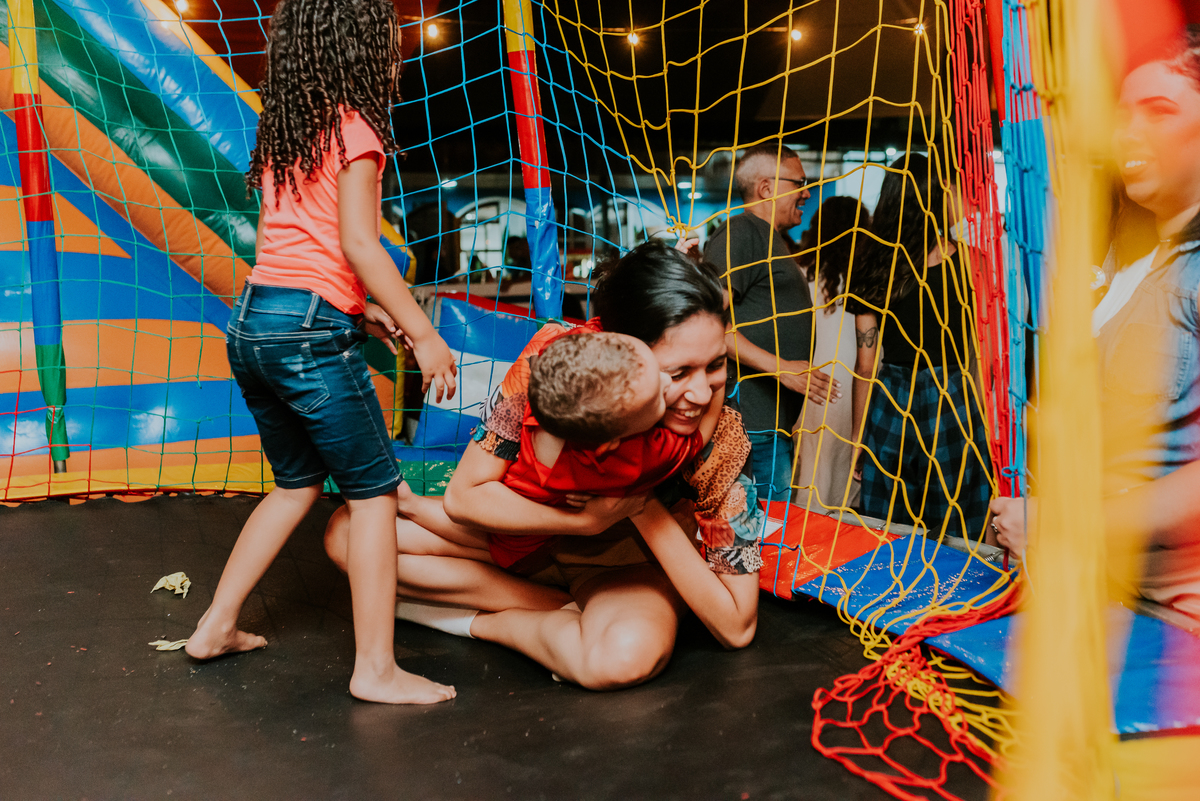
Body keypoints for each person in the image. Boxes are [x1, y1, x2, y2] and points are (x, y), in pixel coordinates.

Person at [325, 240, 765, 688]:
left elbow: (737, 626)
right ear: (617, 349)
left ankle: (486, 622)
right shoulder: (553, 365)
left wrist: (635, 505)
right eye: (677, 373)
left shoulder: (720, 439)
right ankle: (553, 609)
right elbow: (465, 495)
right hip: (527, 543)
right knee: (351, 533)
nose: (701, 393)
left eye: (715, 365)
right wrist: (583, 523)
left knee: (622, 658)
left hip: (622, 569)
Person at [185, 0, 460, 705]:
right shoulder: (358, 126)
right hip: (304, 332)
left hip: (254, 323)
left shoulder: (289, 129)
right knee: (373, 496)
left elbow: (294, 252)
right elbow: (359, 245)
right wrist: (425, 335)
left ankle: (214, 624)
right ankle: (375, 668)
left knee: (295, 483)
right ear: (364, 46)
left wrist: (363, 312)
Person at [991, 27, 1200, 624]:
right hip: (1107, 599)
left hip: (1176, 626)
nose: (1128, 133)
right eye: (1122, 115)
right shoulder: (1139, 267)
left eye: (1159, 111)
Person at [846, 154, 993, 540]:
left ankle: (890, 595)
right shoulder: (974, 264)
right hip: (954, 398)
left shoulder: (873, 267)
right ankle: (961, 598)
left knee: (888, 528)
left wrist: (858, 441)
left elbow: (866, 362)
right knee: (960, 524)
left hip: (891, 401)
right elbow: (985, 356)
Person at [705, 143, 840, 503]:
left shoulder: (769, 238)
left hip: (767, 428)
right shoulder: (742, 232)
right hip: (750, 427)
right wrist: (781, 369)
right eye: (799, 182)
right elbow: (706, 324)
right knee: (760, 540)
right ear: (766, 188)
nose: (807, 192)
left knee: (771, 536)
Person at [793, 196, 870, 512]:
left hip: (811, 376)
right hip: (857, 378)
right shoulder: (868, 277)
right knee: (848, 467)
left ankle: (806, 543)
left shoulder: (799, 272)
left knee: (811, 467)